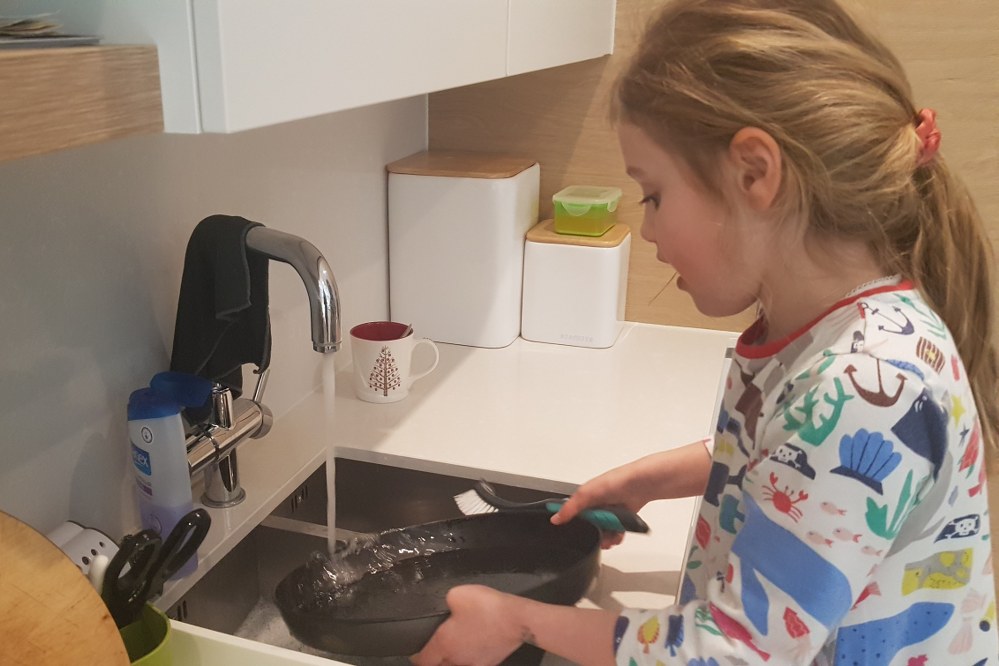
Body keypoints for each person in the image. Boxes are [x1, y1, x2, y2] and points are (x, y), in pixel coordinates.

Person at [412, 0, 998, 663]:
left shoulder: (868, 381)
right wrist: (657, 477)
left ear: (753, 173)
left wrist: (519, 621)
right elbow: (801, 451)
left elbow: (731, 653)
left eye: (653, 194)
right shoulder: (839, 329)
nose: (650, 228)